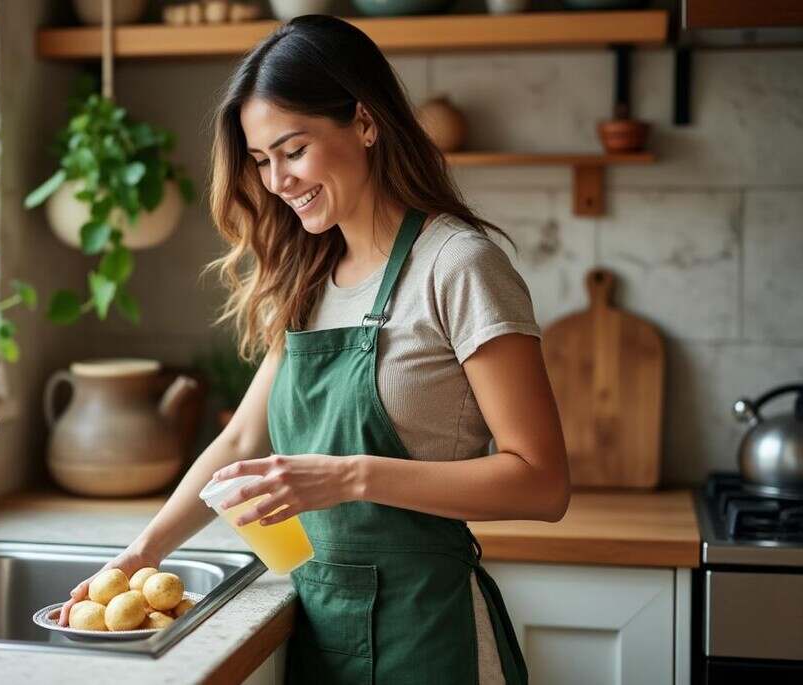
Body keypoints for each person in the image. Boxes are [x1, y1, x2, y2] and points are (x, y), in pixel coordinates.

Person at [58, 15, 569, 684]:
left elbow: (541, 481)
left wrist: (349, 474)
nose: (276, 180)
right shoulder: (304, 276)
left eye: (292, 150)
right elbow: (243, 438)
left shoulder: (458, 264)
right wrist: (137, 554)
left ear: (363, 123)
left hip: (427, 634)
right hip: (323, 629)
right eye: (261, 160)